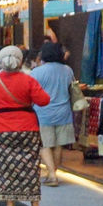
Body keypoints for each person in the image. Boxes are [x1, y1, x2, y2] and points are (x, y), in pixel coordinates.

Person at [0, 45, 51, 206]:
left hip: (0, 129)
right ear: (20, 61)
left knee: (5, 168)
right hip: (28, 129)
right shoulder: (29, 80)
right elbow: (44, 101)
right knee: (31, 167)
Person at [30, 41, 76, 186]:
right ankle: (53, 173)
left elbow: (31, 94)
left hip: (43, 113)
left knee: (44, 145)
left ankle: (52, 175)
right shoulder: (67, 70)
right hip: (64, 112)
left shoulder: (37, 72)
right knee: (58, 145)